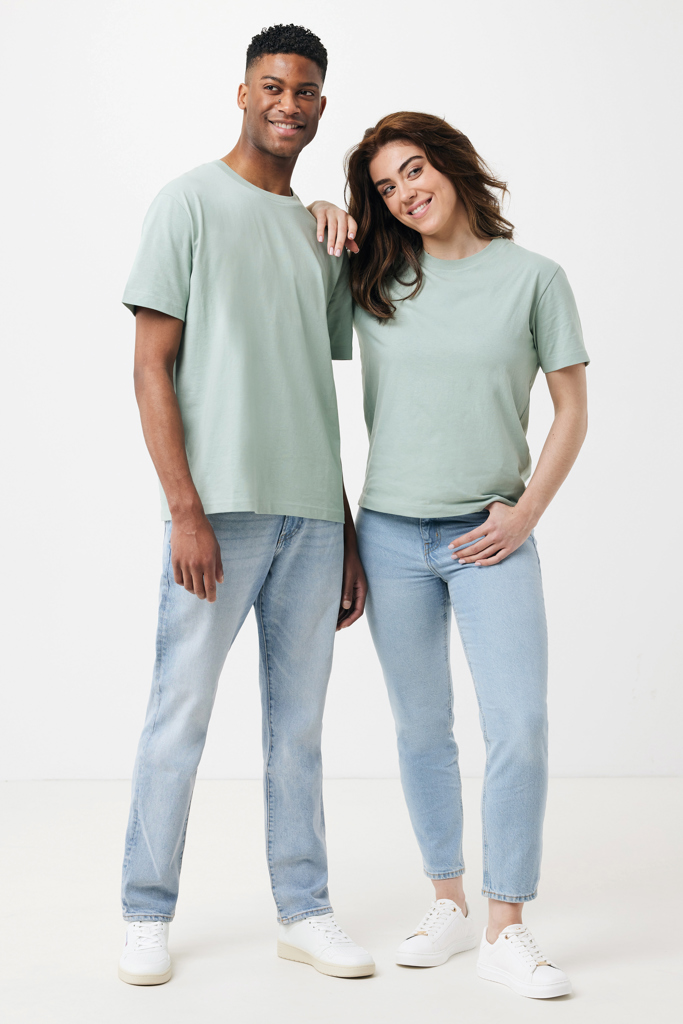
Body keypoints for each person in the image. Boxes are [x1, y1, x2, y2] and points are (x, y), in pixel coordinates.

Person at [117, 24, 376, 985]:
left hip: (312, 516)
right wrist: (184, 510)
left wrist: (344, 529)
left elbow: (311, 386)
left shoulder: (320, 234)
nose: (287, 104)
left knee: (298, 728)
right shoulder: (186, 202)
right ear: (242, 93)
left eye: (304, 91)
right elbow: (150, 366)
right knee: (178, 713)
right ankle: (145, 911)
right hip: (217, 514)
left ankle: (303, 910)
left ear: (320, 105)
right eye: (272, 86)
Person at [317, 110, 589, 998]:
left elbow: (572, 410)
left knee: (519, 724)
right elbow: (295, 297)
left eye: (413, 170)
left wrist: (525, 514)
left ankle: (506, 924)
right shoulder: (372, 277)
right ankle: (447, 900)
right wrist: (318, 212)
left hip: (490, 536)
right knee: (420, 726)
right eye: (384, 186)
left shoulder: (534, 279)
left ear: (450, 165)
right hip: (389, 534)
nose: (404, 193)